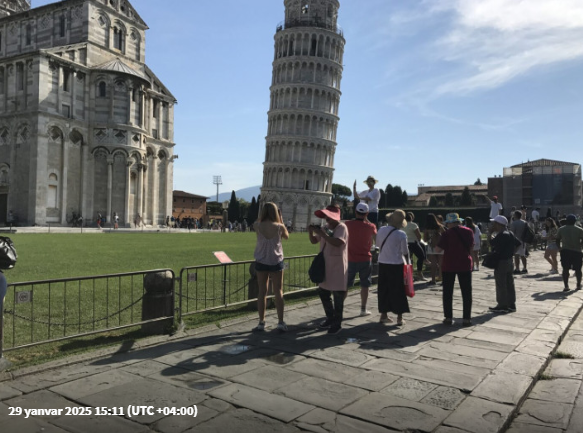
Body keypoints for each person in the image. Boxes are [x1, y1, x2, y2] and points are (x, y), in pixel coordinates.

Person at [309, 204, 348, 334]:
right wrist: (311, 232)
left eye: (329, 218)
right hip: (326, 264)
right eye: (326, 218)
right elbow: (314, 241)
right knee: (323, 292)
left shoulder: (342, 227)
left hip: (337, 265)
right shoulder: (325, 228)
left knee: (338, 295)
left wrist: (323, 234)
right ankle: (330, 317)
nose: (327, 221)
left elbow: (338, 242)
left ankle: (337, 323)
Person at [252, 202, 289, 332]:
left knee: (262, 291)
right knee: (278, 291)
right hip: (276, 260)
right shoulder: (279, 227)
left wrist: (262, 216)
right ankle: (280, 322)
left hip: (261, 260)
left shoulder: (257, 225)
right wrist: (281, 219)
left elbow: (258, 222)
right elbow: (287, 236)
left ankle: (261, 322)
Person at [435, 213, 474, 326]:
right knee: (466, 292)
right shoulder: (469, 231)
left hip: (449, 265)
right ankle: (467, 318)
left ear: (450, 223)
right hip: (465, 264)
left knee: (448, 292)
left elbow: (437, 249)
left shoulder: (447, 233)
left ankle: (448, 317)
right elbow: (471, 248)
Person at [376, 209, 409, 326]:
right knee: (398, 290)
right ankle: (399, 317)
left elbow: (378, 245)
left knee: (383, 289)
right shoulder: (401, 234)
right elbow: (405, 251)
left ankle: (383, 314)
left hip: (383, 263)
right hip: (396, 264)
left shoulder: (381, 230)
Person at [345, 202, 377, 316]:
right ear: (367, 213)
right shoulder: (371, 226)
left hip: (350, 258)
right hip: (365, 258)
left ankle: (338, 308)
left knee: (345, 285)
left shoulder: (347, 224)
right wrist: (367, 220)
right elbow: (375, 239)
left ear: (355, 212)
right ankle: (363, 309)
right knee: (365, 285)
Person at [489, 215, 521, 312]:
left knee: (501, 284)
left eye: (494, 223)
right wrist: (512, 253)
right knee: (509, 283)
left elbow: (491, 243)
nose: (493, 225)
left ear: (499, 224)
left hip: (501, 262)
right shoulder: (510, 233)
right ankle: (511, 304)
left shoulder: (501, 234)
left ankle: (502, 305)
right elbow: (518, 244)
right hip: (509, 261)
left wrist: (490, 233)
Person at [556, 214, 583, 292]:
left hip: (565, 251)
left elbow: (557, 240)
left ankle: (566, 286)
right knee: (578, 269)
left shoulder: (561, 229)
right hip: (577, 251)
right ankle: (578, 284)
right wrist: (581, 246)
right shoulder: (579, 229)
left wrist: (559, 248)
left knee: (565, 269)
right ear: (575, 221)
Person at [403, 212, 428, 281]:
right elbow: (419, 236)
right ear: (412, 218)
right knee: (421, 257)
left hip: (404, 243)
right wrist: (419, 240)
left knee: (408, 259)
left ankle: (408, 275)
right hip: (413, 243)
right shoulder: (414, 225)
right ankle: (419, 273)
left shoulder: (402, 225)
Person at [424, 213, 445, 285]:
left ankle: (433, 280)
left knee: (433, 264)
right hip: (440, 246)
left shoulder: (427, 228)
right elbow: (445, 236)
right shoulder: (440, 226)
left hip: (431, 247)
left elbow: (425, 239)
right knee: (441, 263)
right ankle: (442, 279)